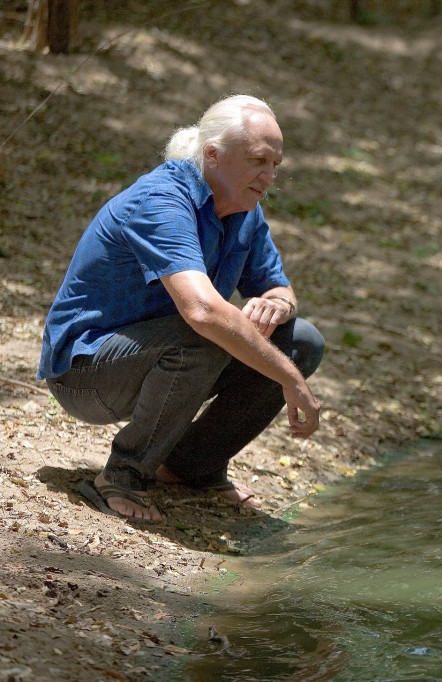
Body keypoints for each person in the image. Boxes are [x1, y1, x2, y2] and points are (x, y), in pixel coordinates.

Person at [37, 94, 324, 524]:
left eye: (275, 165)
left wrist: (277, 303)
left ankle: (193, 467)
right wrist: (290, 380)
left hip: (158, 356)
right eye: (259, 161)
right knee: (205, 336)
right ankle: (122, 476)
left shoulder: (245, 209)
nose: (269, 176)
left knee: (299, 340)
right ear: (213, 154)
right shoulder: (162, 201)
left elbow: (279, 286)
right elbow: (202, 312)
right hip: (85, 373)